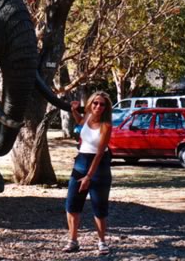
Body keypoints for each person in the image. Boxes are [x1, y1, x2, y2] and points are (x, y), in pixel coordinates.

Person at [63, 91, 113, 255]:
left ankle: (102, 242)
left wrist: (88, 177)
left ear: (106, 108)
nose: (98, 106)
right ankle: (73, 240)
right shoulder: (87, 117)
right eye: (95, 103)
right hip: (80, 164)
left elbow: (99, 153)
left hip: (99, 167)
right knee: (72, 205)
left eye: (102, 104)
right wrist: (74, 111)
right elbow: (79, 122)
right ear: (91, 103)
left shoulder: (106, 125)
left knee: (99, 207)